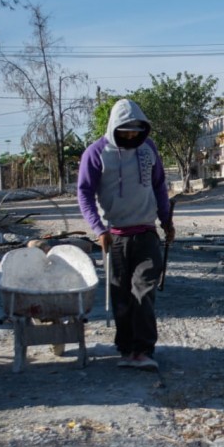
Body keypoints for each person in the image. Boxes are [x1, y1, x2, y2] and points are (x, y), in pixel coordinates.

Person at [77, 98, 175, 371]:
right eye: (126, 131)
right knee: (121, 296)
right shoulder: (96, 153)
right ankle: (126, 349)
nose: (131, 135)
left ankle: (143, 350)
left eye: (136, 130)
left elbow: (159, 186)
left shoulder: (148, 150)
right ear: (115, 128)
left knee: (143, 292)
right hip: (114, 237)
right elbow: (84, 193)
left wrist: (166, 220)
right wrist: (98, 229)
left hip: (146, 233)